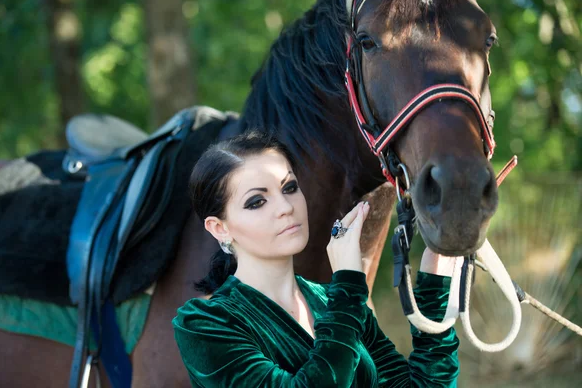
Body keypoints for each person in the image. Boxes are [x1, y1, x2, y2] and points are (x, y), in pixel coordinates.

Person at [172, 130, 460, 387]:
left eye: (289, 188)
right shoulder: (205, 325)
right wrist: (348, 283)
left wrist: (435, 279)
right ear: (219, 228)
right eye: (257, 202)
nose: (286, 207)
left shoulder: (330, 301)